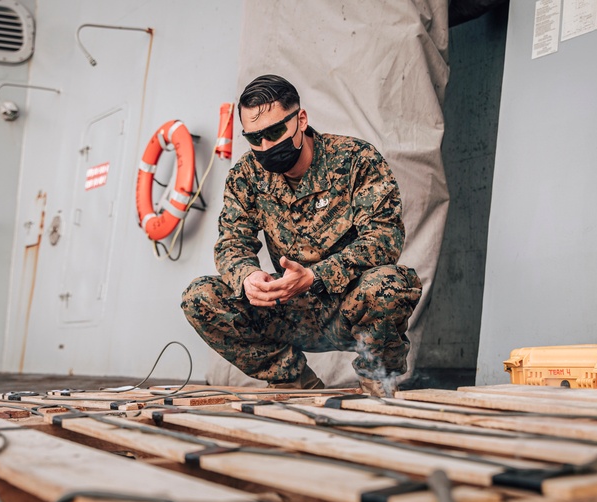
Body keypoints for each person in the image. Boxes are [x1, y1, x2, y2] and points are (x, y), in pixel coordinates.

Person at [181, 74, 422, 397]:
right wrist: (248, 275)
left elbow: (384, 238)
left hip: (348, 308)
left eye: (274, 132)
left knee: (390, 284)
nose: (265, 147)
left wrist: (314, 276)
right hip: (287, 309)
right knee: (200, 297)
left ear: (301, 119)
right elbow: (232, 242)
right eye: (254, 138)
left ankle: (377, 382)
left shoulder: (355, 160)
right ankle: (292, 381)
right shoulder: (246, 175)